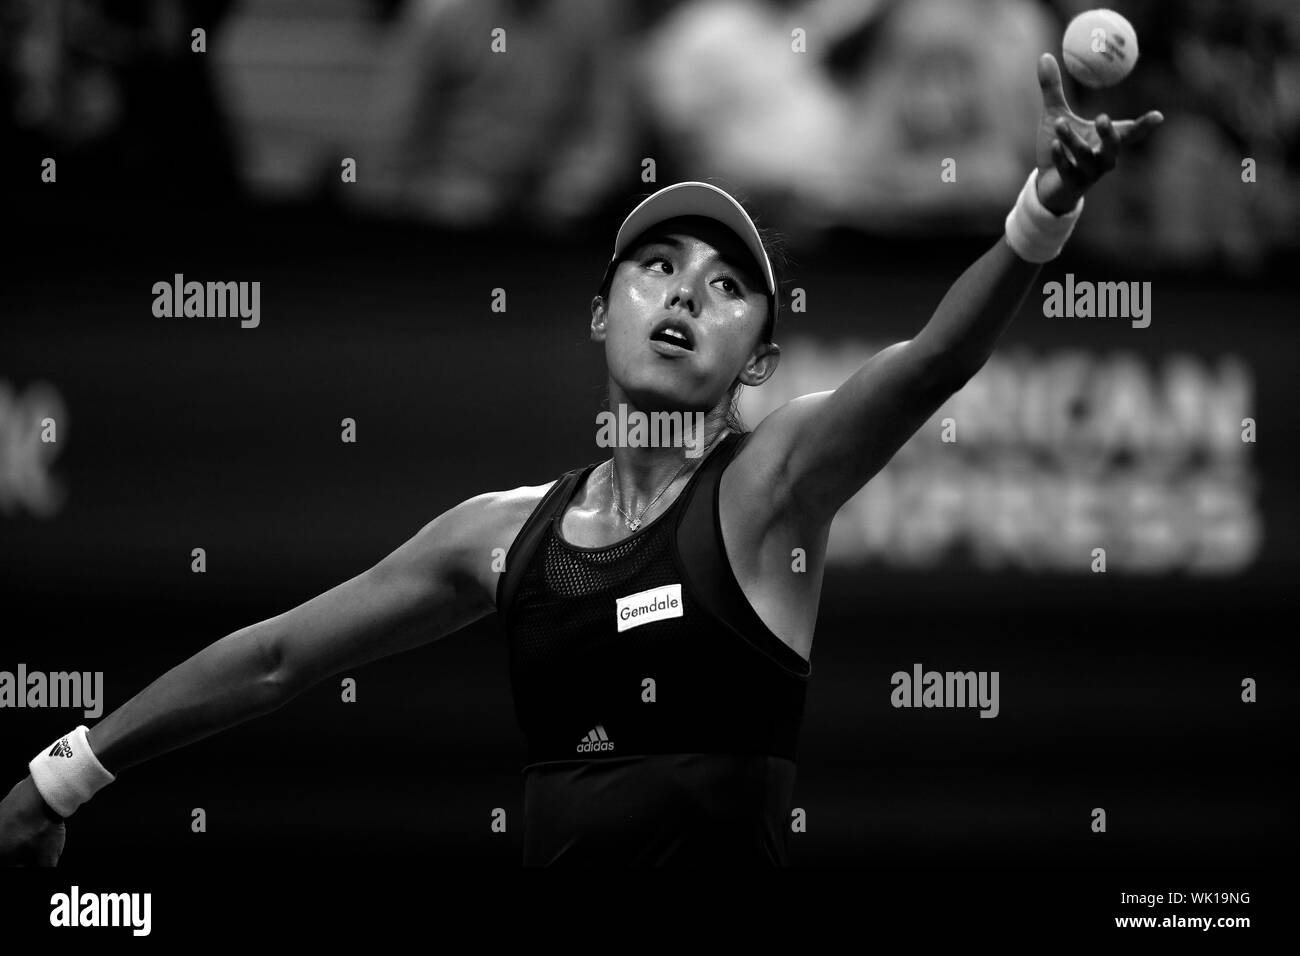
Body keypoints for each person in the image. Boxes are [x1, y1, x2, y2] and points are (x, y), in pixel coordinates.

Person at [0, 54, 1160, 867]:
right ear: (597, 310)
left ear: (757, 357)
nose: (686, 294)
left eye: (726, 285)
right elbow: (275, 656)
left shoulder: (770, 488)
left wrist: (1045, 203)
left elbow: (936, 359)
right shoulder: (500, 533)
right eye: (657, 266)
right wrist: (67, 774)